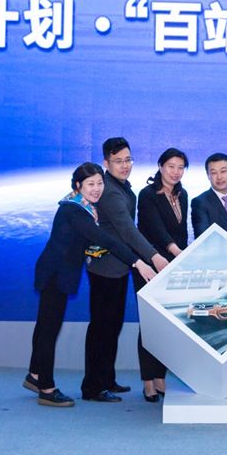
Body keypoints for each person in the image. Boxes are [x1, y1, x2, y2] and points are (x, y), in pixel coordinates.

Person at [25, 163, 156, 407]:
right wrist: (139, 263)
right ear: (78, 186)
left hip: (57, 274)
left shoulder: (83, 206)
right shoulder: (75, 211)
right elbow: (106, 240)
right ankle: (46, 388)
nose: (96, 189)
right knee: (49, 330)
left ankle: (34, 375)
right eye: (90, 184)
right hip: (55, 276)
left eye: (99, 183)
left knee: (45, 326)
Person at [81, 138, 169, 402]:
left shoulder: (122, 187)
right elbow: (127, 230)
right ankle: (92, 387)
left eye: (128, 160)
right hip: (105, 269)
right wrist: (154, 256)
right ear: (106, 163)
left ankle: (106, 379)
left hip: (119, 267)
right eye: (118, 161)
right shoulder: (109, 191)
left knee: (112, 326)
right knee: (102, 328)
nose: (124, 165)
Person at [134, 147, 190, 402]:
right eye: (171, 166)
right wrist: (177, 252)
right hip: (150, 266)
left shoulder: (182, 194)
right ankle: (148, 380)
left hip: (174, 267)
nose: (175, 172)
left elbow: (181, 233)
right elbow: (156, 230)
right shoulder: (147, 195)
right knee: (150, 323)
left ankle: (160, 377)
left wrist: (183, 259)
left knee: (168, 324)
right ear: (160, 166)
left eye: (180, 167)